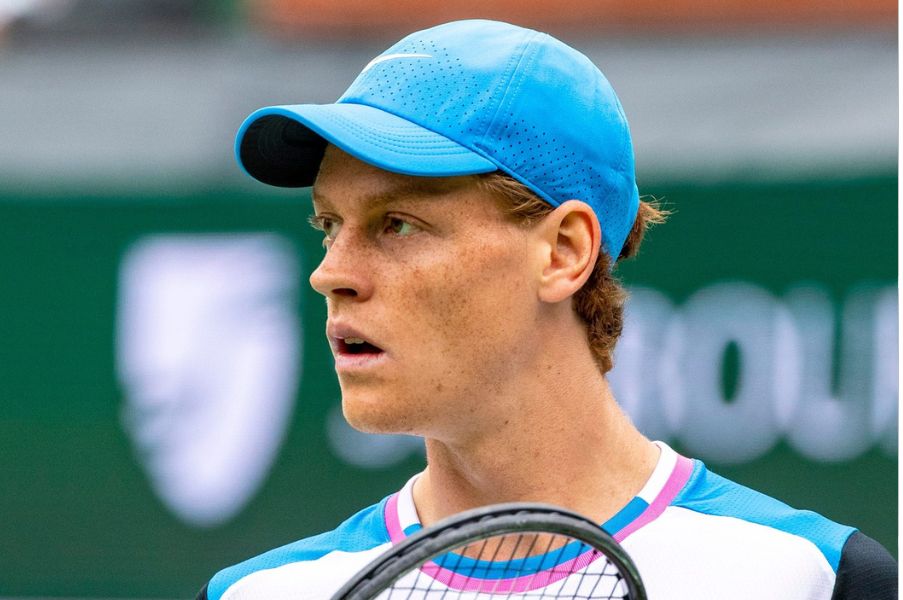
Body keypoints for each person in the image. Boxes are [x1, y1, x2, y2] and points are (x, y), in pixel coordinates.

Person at [197, 19, 896, 600]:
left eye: (397, 224)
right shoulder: (259, 593)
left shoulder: (810, 579)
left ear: (564, 251)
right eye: (328, 226)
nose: (330, 274)